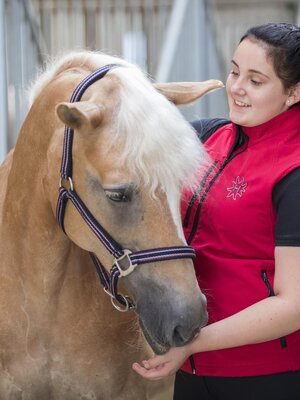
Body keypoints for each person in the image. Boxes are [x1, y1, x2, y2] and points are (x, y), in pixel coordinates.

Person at [132, 22, 300, 400]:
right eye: (235, 71)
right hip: (193, 370)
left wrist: (194, 343)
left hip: (265, 376)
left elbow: (294, 305)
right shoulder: (207, 137)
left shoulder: (294, 169)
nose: (236, 87)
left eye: (256, 81)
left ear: (293, 92)